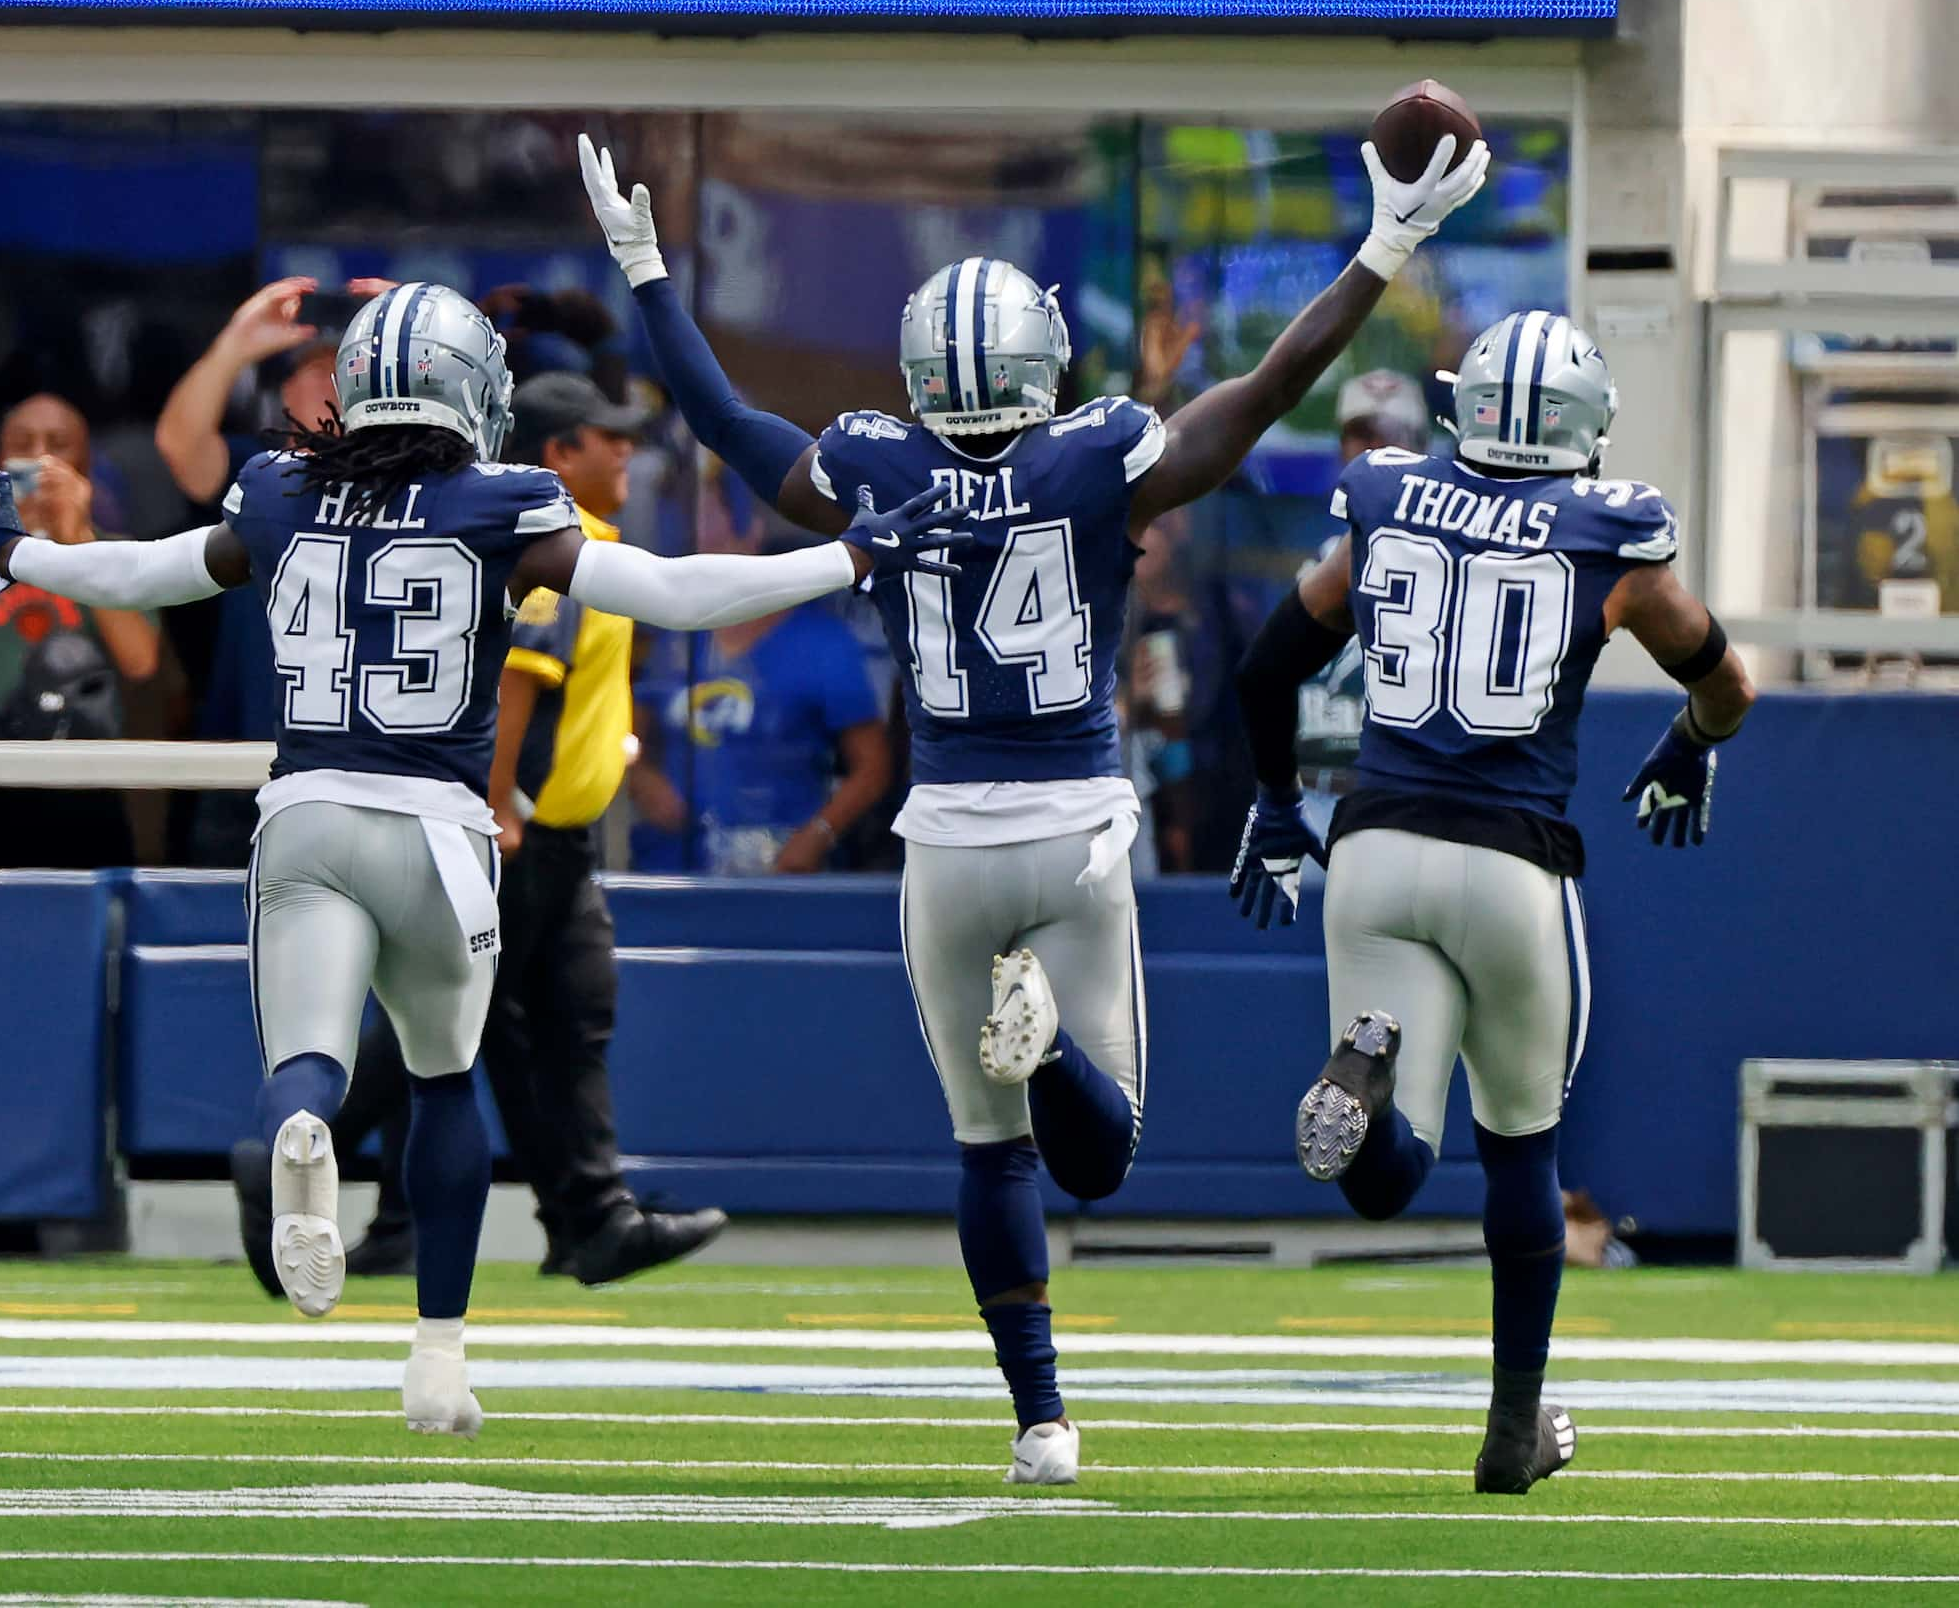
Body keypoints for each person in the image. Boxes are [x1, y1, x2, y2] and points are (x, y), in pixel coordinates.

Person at [578, 124, 1488, 1485]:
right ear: (1037, 359)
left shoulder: (881, 467)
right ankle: (1051, 1040)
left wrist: (650, 274)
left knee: (985, 1150)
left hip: (942, 839)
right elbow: (1268, 382)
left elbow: (729, 425)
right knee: (1099, 1142)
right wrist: (1384, 245)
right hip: (1069, 824)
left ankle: (1039, 1422)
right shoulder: (1094, 455)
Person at [0, 281, 968, 1436]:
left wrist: (11, 550)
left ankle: (304, 1131)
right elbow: (670, 592)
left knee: (308, 1063)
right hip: (441, 833)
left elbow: (137, 574)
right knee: (444, 1080)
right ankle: (436, 1359)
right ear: (469, 393)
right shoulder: (503, 501)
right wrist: (846, 561)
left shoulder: (279, 490)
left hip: (303, 810)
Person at [1228, 309, 1754, 1496]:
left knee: (1390, 1165)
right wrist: (1684, 743)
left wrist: (1271, 807)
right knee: (1519, 1147)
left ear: (1464, 404)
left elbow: (1266, 667)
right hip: (1513, 865)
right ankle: (1511, 1431)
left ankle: (1355, 1089)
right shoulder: (1609, 534)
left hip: (1370, 849)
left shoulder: (1387, 496)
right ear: (1585, 425)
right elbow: (1727, 682)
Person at [322, 372, 733, 1288]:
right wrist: (497, 803)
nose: (625, 451)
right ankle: (295, 1150)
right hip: (519, 833)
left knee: (543, 1022)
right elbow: (518, 684)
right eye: (604, 437)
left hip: (557, 837)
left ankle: (571, 1219)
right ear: (557, 454)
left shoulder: (580, 544)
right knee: (458, 1021)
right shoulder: (557, 550)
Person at [154, 277, 359, 860]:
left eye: (350, 366)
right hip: (247, 757)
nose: (334, 381)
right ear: (285, 394)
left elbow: (481, 452)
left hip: (368, 760)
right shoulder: (261, 474)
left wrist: (421, 327)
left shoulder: (422, 479)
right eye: (318, 368)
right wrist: (235, 346)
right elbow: (181, 445)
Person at [0, 392, 159, 867]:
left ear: (85, 464)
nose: (40, 456)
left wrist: (78, 541)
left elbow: (140, 660)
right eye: (23, 443)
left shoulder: (116, 552)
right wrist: (5, 549)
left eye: (58, 443)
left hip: (85, 787)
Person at [628, 465, 890, 875]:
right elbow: (629, 739)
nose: (699, 538)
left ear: (750, 533)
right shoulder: (675, 636)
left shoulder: (821, 642)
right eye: (690, 524)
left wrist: (817, 835)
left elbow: (872, 768)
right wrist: (643, 779)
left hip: (782, 870)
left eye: (712, 523)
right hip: (674, 867)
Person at [1296, 371, 1434, 835]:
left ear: (1423, 448)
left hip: (1405, 804)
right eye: (1360, 436)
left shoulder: (1454, 565)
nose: (1373, 453)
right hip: (1314, 795)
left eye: (1389, 438)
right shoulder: (1317, 565)